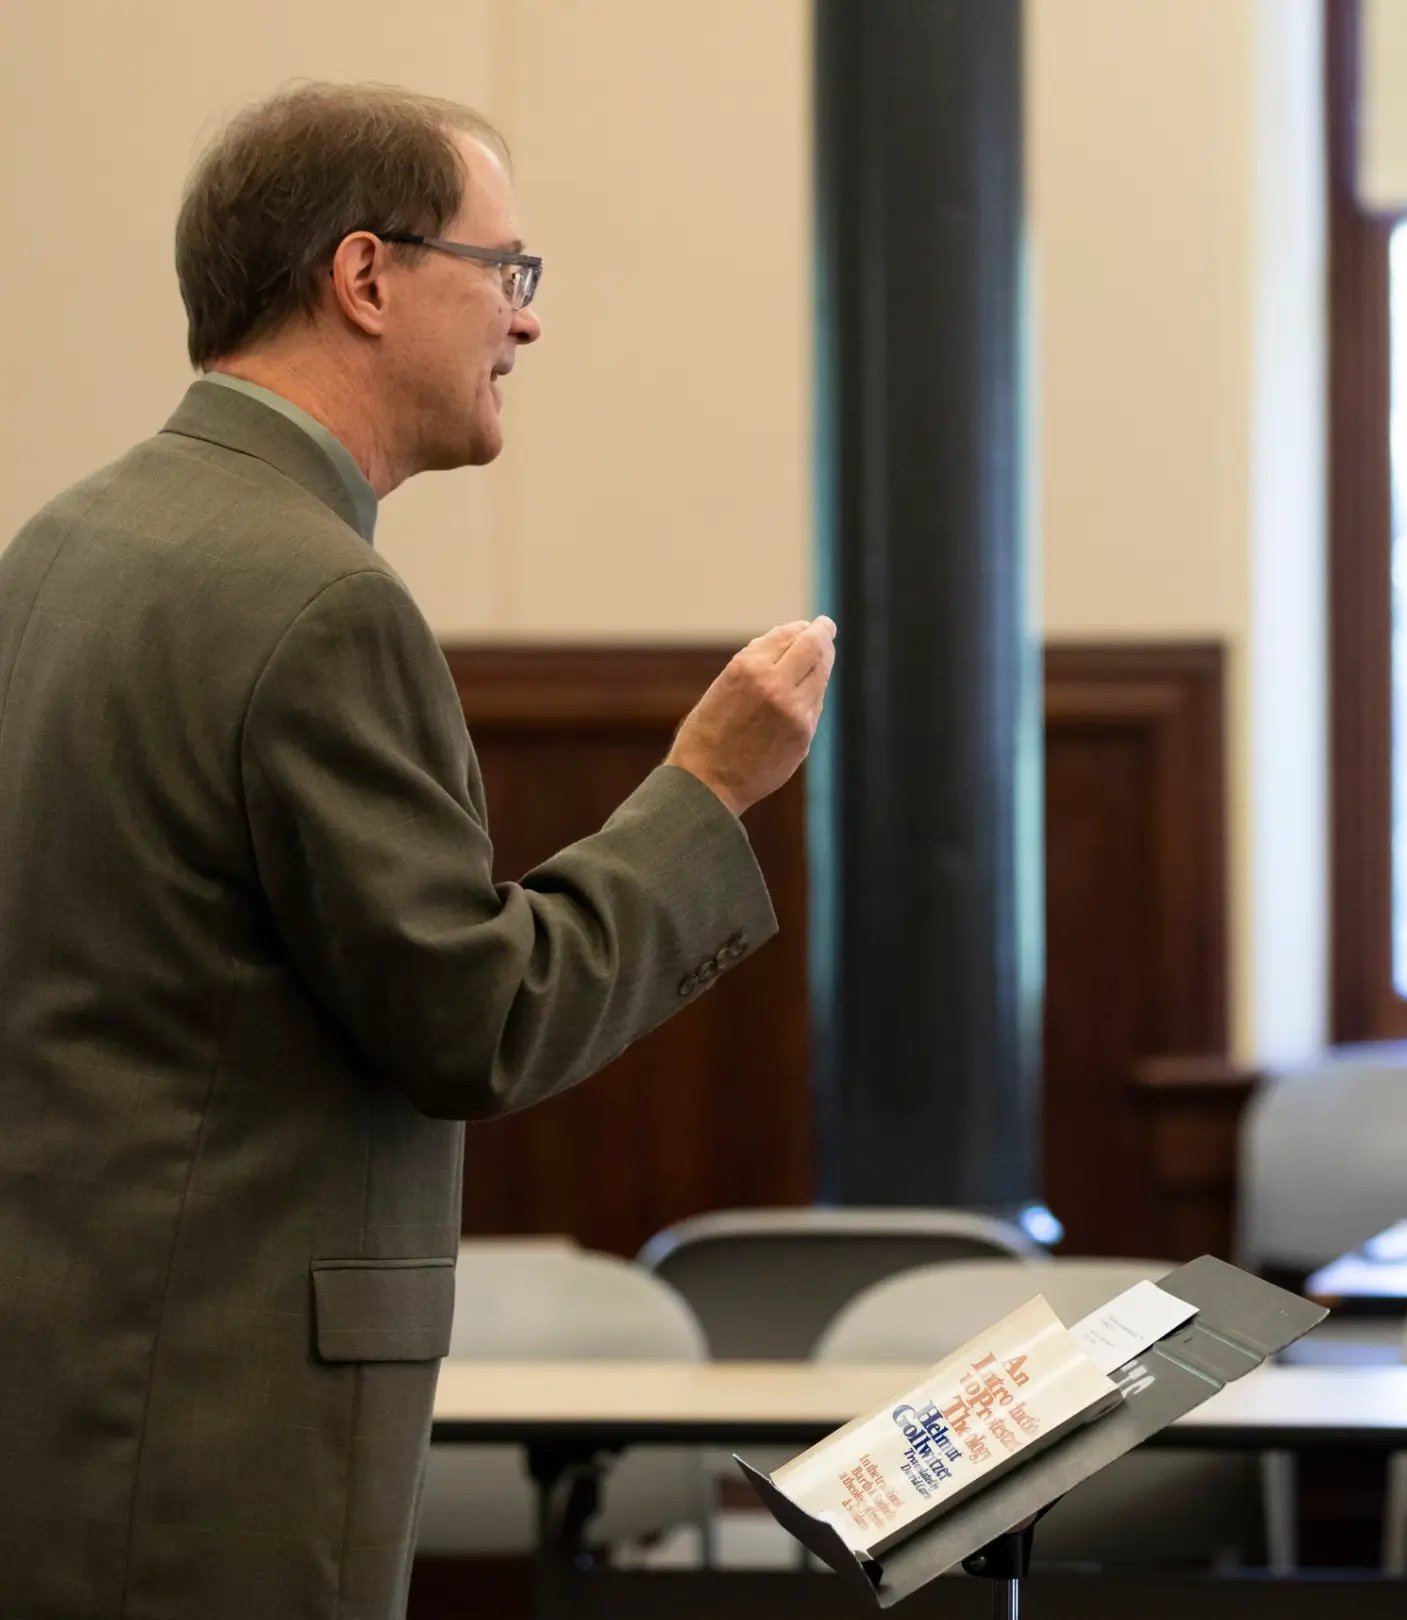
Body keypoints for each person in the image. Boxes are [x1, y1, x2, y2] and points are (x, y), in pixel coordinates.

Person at [0, 86, 830, 1619]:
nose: (529, 325)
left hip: (69, 1382)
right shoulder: (319, 600)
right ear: (367, 276)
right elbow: (475, 1015)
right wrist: (703, 793)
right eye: (508, 271)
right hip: (219, 1427)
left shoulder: (62, 544)